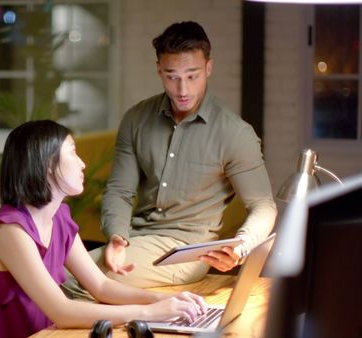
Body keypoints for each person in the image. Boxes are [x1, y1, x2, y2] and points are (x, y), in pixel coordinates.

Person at [63, 21, 277, 296]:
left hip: (186, 252)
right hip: (135, 240)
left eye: (192, 75)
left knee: (68, 280)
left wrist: (242, 244)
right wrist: (117, 235)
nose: (182, 89)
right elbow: (120, 190)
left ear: (208, 68)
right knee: (59, 275)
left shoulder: (235, 134)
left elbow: (263, 205)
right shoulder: (136, 118)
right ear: (159, 70)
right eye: (171, 76)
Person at [0, 120, 207, 338]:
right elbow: (61, 312)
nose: (82, 163)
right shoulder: (12, 231)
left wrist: (164, 300)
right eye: (73, 152)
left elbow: (101, 286)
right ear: (48, 165)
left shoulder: (59, 219)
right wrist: (150, 313)